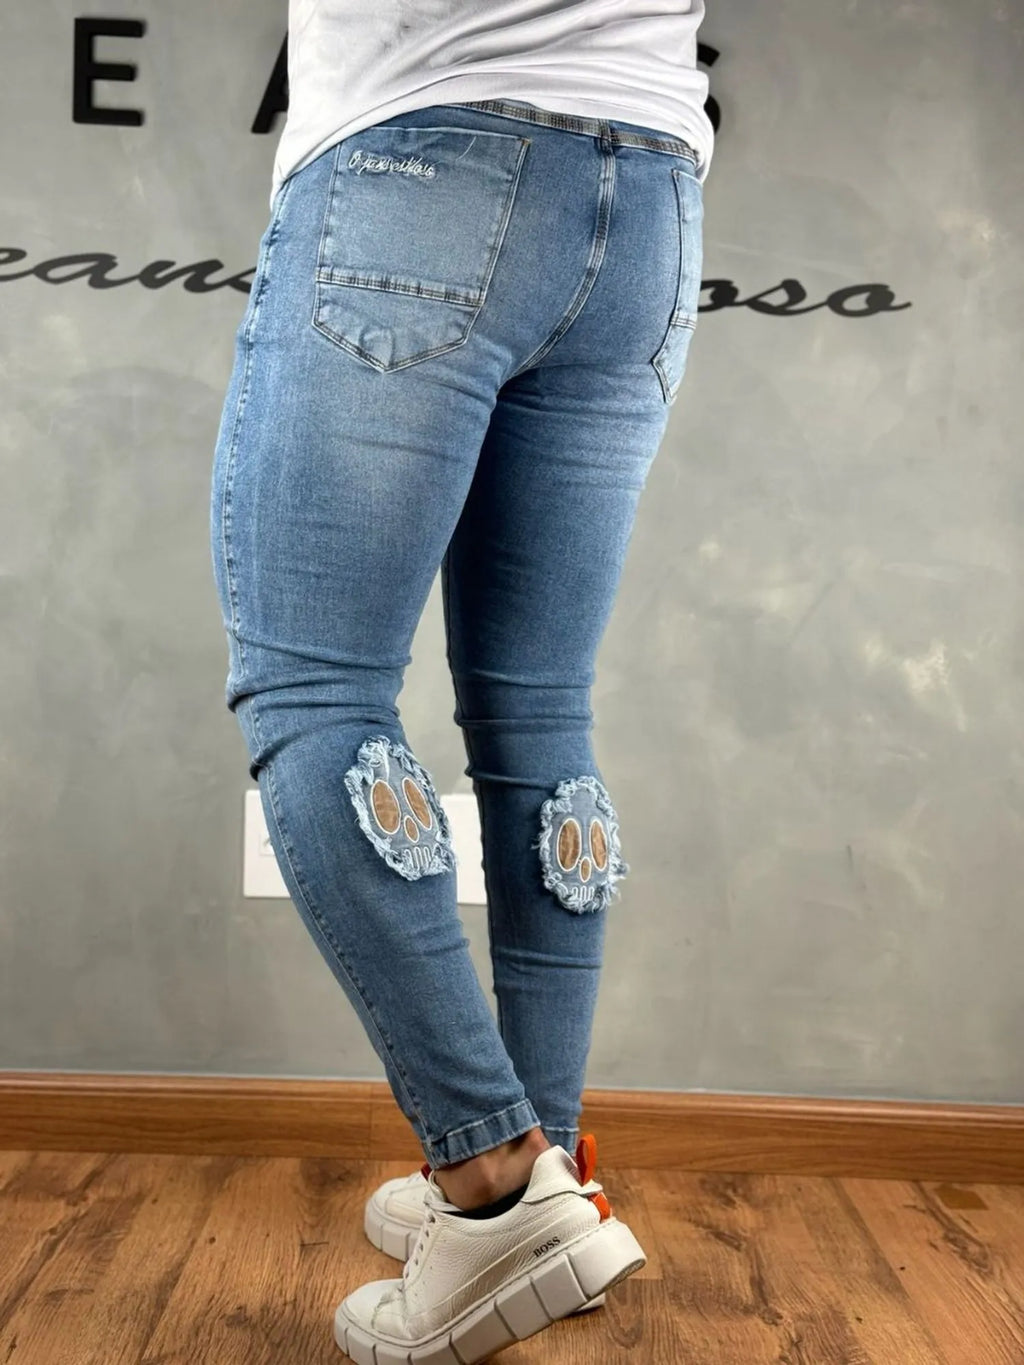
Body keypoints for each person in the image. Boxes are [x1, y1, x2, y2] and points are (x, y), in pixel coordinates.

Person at [209, 2, 714, 1359]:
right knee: (538, 705)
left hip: (423, 149)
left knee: (316, 694)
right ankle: (550, 1177)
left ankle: (492, 1183)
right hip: (651, 190)